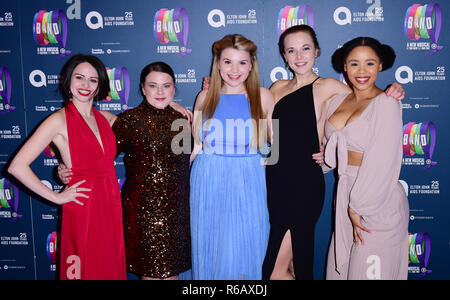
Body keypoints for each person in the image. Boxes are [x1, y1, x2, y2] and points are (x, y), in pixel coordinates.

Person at [262, 25, 405, 280]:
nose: (299, 56)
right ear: (284, 55)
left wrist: (391, 91)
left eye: (306, 48)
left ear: (317, 51)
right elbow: (267, 136)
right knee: (291, 263)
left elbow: (366, 101)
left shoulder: (329, 87)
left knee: (276, 268)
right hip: (275, 182)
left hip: (305, 183)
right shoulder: (275, 88)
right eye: (291, 50)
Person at [58, 62, 192, 280]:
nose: (160, 92)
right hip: (141, 212)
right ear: (142, 88)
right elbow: (99, 157)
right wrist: (66, 169)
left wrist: (174, 106)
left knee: (171, 275)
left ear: (174, 89)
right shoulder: (128, 121)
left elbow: (189, 160)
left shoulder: (183, 121)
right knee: (149, 275)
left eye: (166, 86)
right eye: (153, 86)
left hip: (175, 212)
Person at [8, 54, 127, 280]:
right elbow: (17, 167)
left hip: (110, 205)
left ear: (100, 84)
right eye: (79, 77)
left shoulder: (107, 119)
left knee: (109, 269)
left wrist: (170, 102)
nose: (85, 85)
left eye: (93, 80)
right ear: (68, 81)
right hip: (83, 207)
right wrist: (57, 197)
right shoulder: (58, 120)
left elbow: (142, 121)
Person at [323, 37, 409, 280]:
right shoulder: (337, 101)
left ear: (381, 65)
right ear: (344, 67)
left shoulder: (386, 103)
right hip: (346, 198)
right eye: (354, 64)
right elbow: (332, 153)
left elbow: (382, 161)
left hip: (376, 203)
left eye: (369, 63)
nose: (361, 71)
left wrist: (358, 207)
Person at [190, 34, 274, 279]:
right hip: (208, 182)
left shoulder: (264, 96)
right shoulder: (204, 97)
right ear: (217, 63)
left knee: (248, 252)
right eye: (228, 62)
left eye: (242, 62)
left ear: (252, 65)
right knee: (212, 251)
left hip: (249, 183)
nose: (234, 70)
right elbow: (194, 147)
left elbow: (277, 148)